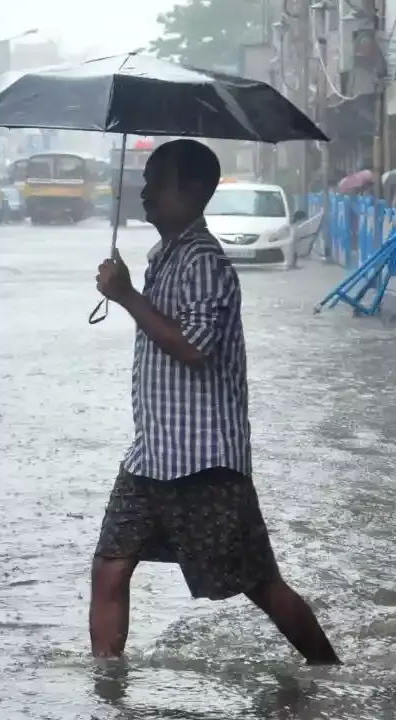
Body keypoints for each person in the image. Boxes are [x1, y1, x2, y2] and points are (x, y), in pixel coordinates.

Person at [90, 139, 340, 665]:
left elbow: (193, 348)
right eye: (146, 179)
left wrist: (128, 297)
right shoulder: (167, 257)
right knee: (110, 568)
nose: (145, 191)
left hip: (203, 462)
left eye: (158, 180)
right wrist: (129, 290)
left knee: (258, 583)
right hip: (152, 457)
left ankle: (326, 670)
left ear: (195, 189)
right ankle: (106, 688)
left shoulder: (204, 262)